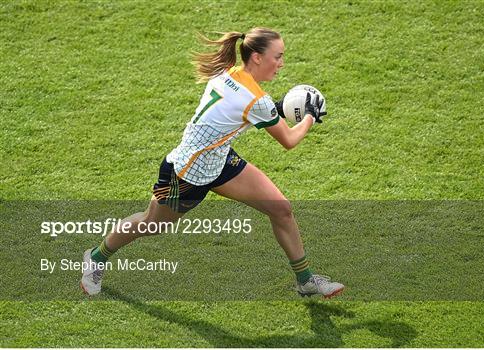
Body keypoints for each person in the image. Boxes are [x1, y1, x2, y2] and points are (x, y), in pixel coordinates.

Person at [80, 27, 344, 298]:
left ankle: (305, 281)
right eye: (277, 56)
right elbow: (288, 139)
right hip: (186, 174)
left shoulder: (227, 72)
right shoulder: (256, 100)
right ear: (256, 57)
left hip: (218, 161)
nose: (281, 63)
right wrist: (309, 116)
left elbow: (235, 116)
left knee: (281, 210)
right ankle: (97, 257)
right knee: (152, 224)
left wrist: (277, 108)